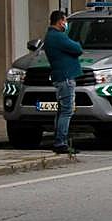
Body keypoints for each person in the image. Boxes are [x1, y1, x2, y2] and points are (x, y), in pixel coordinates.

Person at [43, 9, 83, 154]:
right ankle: (61, 142)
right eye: (65, 21)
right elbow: (77, 48)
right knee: (66, 111)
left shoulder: (50, 36)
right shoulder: (58, 37)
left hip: (60, 78)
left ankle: (59, 140)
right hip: (65, 78)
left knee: (61, 111)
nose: (66, 24)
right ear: (60, 21)